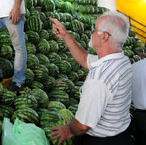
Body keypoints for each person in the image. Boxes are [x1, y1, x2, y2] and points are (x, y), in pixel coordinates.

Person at [49, 11, 134, 145]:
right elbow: (85, 59)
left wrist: (70, 129)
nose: (91, 32)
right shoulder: (122, 60)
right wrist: (65, 35)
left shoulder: (100, 78)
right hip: (123, 137)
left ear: (104, 37)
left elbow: (82, 125)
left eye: (94, 29)